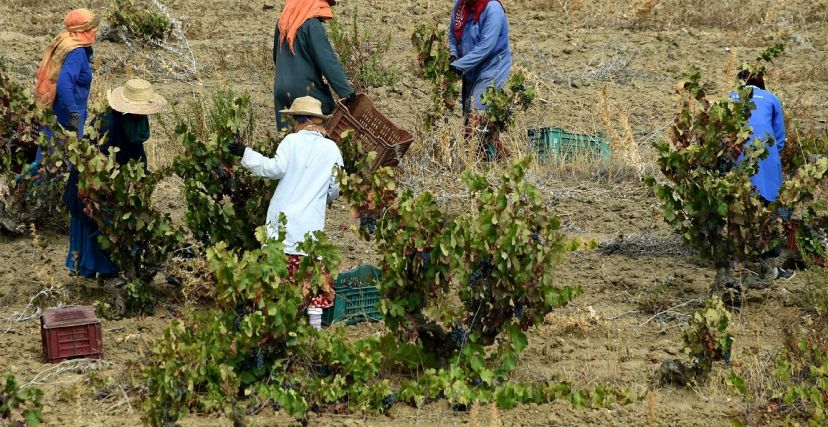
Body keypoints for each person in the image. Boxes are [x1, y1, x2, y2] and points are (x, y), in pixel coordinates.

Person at [228, 96, 342, 304]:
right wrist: (319, 197)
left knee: (278, 283)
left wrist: (246, 153)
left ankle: (280, 324)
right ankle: (313, 330)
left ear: (300, 120)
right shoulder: (332, 149)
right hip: (311, 226)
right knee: (311, 285)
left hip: (283, 223)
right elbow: (335, 187)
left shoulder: (292, 141)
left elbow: (274, 169)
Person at [63, 78, 167, 281]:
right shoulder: (107, 123)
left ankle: (109, 271)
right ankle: (100, 272)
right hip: (92, 185)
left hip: (116, 185)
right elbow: (97, 164)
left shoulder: (137, 121)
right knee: (97, 224)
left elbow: (137, 155)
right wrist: (110, 189)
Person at [729, 70, 793, 280]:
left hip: (737, 159)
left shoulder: (730, 98)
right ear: (760, 84)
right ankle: (770, 267)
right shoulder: (771, 98)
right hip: (767, 160)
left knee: (738, 210)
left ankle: (738, 265)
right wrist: (770, 157)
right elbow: (780, 139)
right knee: (774, 208)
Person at [273, 0, 356, 132]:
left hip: (280, 89)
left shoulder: (282, 22)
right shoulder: (312, 25)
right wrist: (346, 91)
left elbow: (276, 57)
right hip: (305, 89)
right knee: (325, 121)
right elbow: (327, 61)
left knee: (288, 137)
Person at [448, 0, 512, 161]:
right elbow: (452, 34)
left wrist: (459, 65)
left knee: (476, 111)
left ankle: (470, 160)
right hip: (470, 68)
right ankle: (498, 158)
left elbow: (486, 47)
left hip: (492, 67)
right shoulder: (461, 5)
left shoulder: (493, 9)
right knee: (470, 115)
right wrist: (454, 54)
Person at [34, 8, 100, 163]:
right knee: (60, 162)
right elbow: (64, 83)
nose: (95, 32)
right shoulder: (76, 52)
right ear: (83, 30)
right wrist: (74, 113)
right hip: (65, 115)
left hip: (56, 109)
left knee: (46, 159)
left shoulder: (65, 40)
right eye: (93, 29)